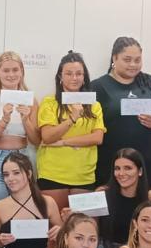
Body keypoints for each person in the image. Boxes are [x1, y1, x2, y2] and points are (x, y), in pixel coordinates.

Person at [91, 37, 151, 192]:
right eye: (127, 60)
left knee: (149, 205)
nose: (133, 65)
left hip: (147, 166)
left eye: (137, 60)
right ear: (114, 58)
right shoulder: (98, 86)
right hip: (110, 166)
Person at [37, 51, 105, 208]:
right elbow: (48, 137)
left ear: (84, 77)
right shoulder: (49, 102)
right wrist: (72, 118)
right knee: (55, 221)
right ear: (60, 76)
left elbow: (97, 138)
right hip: (53, 173)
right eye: (69, 73)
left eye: (79, 74)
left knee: (83, 221)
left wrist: (63, 142)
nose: (74, 78)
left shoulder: (94, 104)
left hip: (84, 175)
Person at [0, 51, 41, 212]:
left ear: (22, 72)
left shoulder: (31, 100)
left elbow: (36, 141)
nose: (11, 75)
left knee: (22, 212)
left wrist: (26, 120)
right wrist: (4, 120)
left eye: (15, 70)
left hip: (22, 159)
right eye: (6, 70)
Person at [91, 148, 151, 248]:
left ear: (140, 171)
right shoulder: (102, 193)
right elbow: (92, 227)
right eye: (117, 168)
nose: (121, 173)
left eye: (128, 168)